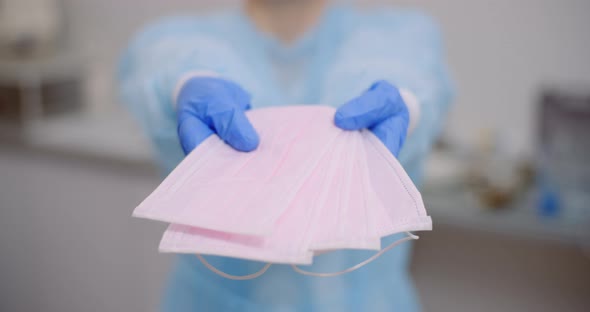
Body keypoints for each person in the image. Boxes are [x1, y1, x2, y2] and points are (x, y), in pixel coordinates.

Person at [118, 0, 453, 310]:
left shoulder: (398, 35)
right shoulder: (175, 40)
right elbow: (167, 60)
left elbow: (401, 64)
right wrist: (188, 80)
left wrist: (405, 100)